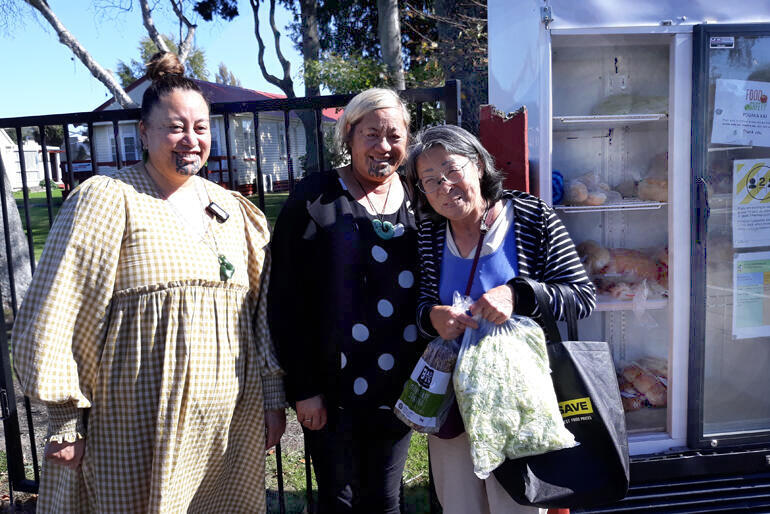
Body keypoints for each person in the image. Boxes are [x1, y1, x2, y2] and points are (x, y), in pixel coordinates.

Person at [12, 52, 286, 513]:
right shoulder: (108, 200)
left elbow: (262, 315)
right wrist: (64, 418)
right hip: (133, 432)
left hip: (225, 433)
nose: (191, 140)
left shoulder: (235, 211)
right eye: (175, 127)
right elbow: (55, 310)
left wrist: (273, 397)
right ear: (143, 131)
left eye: (200, 128)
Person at [404, 124, 596, 514]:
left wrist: (518, 294)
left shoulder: (530, 216)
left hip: (519, 403)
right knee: (460, 506)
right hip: (452, 405)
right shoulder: (429, 232)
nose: (444, 186)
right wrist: (433, 317)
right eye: (429, 180)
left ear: (477, 164)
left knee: (518, 506)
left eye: (452, 170)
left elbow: (581, 297)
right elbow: (422, 302)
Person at [268, 88, 423, 513]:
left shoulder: (421, 198)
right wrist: (304, 389)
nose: (384, 146)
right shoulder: (315, 198)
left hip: (399, 389)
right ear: (350, 135)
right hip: (332, 390)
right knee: (339, 500)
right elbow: (285, 300)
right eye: (372, 134)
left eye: (395, 136)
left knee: (386, 499)